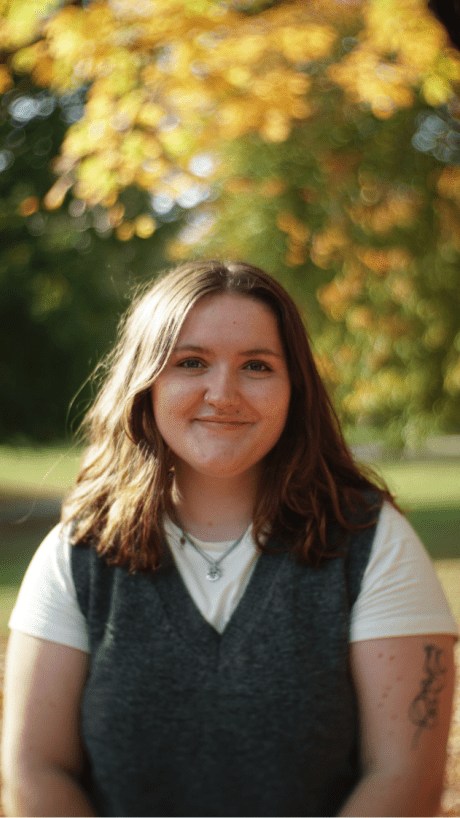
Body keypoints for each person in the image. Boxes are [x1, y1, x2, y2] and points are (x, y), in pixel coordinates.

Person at [1, 260, 457, 818]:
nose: (224, 393)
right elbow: (34, 774)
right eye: (191, 362)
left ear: (295, 387)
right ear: (146, 382)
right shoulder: (78, 553)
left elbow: (404, 780)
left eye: (258, 366)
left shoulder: (374, 543)